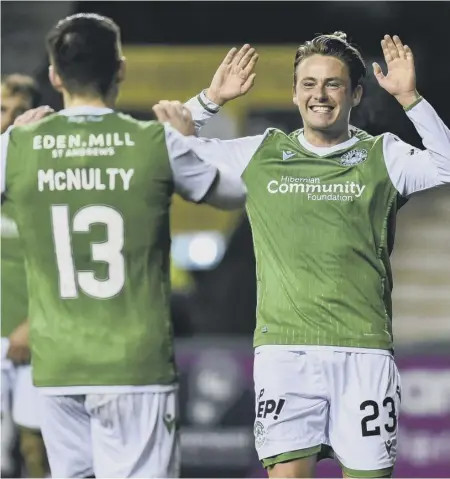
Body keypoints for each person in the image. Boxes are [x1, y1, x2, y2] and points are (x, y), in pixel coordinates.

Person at [154, 34, 450, 478]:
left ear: (356, 94)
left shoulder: (383, 154)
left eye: (333, 84)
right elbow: (163, 154)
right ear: (294, 93)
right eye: (308, 84)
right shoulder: (261, 153)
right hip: (285, 354)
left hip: (364, 353)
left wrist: (410, 98)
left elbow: (445, 164)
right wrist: (211, 99)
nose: (320, 95)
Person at [1, 13, 247, 478]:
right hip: (133, 364)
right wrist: (195, 134)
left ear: (54, 76)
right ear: (121, 70)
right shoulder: (156, 143)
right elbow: (232, 193)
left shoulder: (19, 146)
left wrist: (11, 137)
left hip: (57, 364)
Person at [1, 74, 49, 478]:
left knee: (39, 453)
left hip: (37, 336)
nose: (11, 121)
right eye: (2, 111)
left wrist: (32, 324)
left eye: (21, 112)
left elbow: (65, 260)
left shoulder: (47, 183)